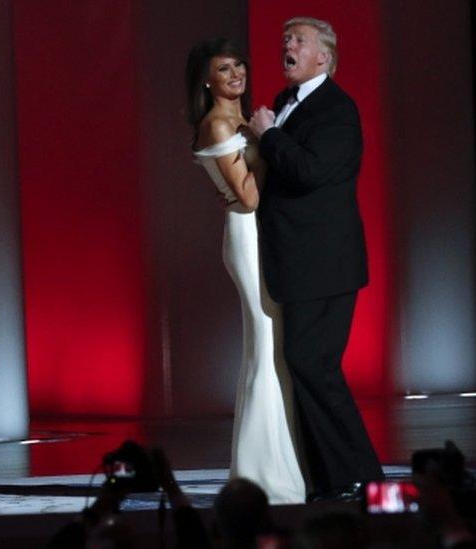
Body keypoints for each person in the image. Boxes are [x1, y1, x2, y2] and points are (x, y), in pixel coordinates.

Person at [247, 17, 384, 502]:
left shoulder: (336, 110)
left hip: (324, 263)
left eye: (298, 40)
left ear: (323, 57)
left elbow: (310, 171)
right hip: (297, 260)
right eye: (285, 38)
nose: (287, 44)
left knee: (313, 362)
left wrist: (269, 136)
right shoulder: (287, 103)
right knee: (305, 362)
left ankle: (360, 475)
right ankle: (331, 477)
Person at [186, 37, 306, 504]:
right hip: (246, 235)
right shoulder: (218, 124)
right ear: (207, 80)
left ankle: (277, 463)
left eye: (239, 65)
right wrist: (268, 139)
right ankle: (263, 474)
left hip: (258, 231)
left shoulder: (237, 118)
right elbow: (249, 197)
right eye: (224, 69)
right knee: (263, 344)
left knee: (272, 347)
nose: (236, 74)